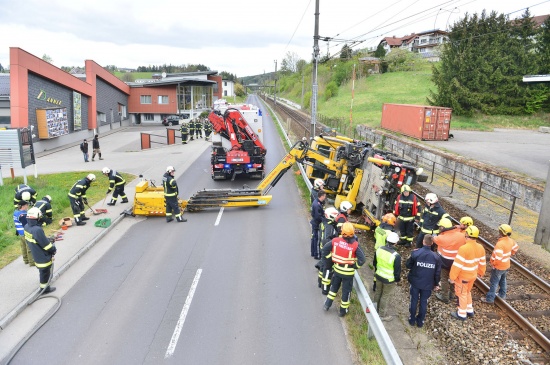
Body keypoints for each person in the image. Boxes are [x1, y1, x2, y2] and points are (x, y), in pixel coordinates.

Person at [322, 222, 366, 317]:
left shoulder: (335, 241)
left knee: (333, 288)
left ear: (342, 231)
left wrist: (331, 259)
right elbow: (362, 259)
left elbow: (325, 249)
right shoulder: (355, 245)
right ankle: (343, 311)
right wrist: (355, 266)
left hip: (337, 270)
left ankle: (327, 305)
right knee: (346, 292)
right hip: (348, 273)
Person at [449, 225, 486, 320]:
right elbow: (482, 262)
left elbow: (457, 265)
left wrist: (452, 277)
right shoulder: (480, 247)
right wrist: (481, 272)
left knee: (461, 294)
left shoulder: (463, 248)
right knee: (467, 292)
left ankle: (461, 314)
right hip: (473, 275)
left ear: (467, 235)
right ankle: (470, 310)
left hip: (463, 277)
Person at [406, 235, 442, 327]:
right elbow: (437, 274)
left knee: (414, 300)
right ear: (432, 243)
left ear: (423, 241)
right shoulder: (436, 257)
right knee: (423, 301)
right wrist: (436, 284)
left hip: (415, 282)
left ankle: (412, 319)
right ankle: (420, 321)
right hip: (428, 284)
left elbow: (408, 265)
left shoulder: (416, 253)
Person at [480, 224, 519, 304]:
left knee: (494, 282)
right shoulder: (511, 241)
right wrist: (510, 254)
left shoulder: (500, 244)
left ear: (500, 232)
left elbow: (498, 258)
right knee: (503, 280)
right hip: (506, 265)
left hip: (499, 267)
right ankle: (502, 295)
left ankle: (490, 299)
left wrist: (494, 264)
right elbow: (516, 248)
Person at [433, 217, 467, 303]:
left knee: (444, 278)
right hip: (456, 262)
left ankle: (444, 297)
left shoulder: (440, 238)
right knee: (453, 277)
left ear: (442, 227)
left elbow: (434, 238)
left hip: (445, 261)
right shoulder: (461, 236)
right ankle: (452, 294)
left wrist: (434, 233)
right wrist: (456, 227)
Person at [24, 207, 57, 294]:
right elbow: (46, 246)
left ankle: (46, 283)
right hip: (42, 255)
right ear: (37, 217)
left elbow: (36, 239)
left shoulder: (26, 227)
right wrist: (53, 249)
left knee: (43, 271)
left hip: (36, 253)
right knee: (45, 271)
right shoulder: (37, 229)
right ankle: (45, 289)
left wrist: (47, 239)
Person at [373, 231, 402, 321]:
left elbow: (374, 263)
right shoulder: (396, 256)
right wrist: (397, 280)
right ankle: (382, 315)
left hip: (378, 275)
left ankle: (373, 309)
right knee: (385, 296)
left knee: (378, 292)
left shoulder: (379, 249)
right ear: (396, 243)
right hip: (389, 280)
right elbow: (397, 272)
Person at [317, 206, 339, 294]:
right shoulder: (330, 227)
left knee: (322, 266)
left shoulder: (324, 223)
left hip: (322, 248)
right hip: (327, 251)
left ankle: (320, 283)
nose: (337, 217)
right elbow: (327, 240)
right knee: (327, 270)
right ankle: (325, 289)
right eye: (335, 216)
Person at [13, 200, 35, 266]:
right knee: (29, 247)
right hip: (25, 233)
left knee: (23, 247)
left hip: (20, 233)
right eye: (26, 205)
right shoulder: (22, 215)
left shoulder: (16, 212)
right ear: (23, 206)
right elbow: (26, 224)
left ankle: (26, 260)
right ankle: (32, 262)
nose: (27, 206)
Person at [310, 190, 326, 259]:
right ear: (321, 196)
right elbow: (318, 216)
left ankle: (313, 253)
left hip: (315, 223)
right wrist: (324, 220)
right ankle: (316, 254)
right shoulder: (317, 205)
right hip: (316, 224)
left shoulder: (317, 202)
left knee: (314, 238)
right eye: (324, 196)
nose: (325, 198)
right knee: (315, 239)